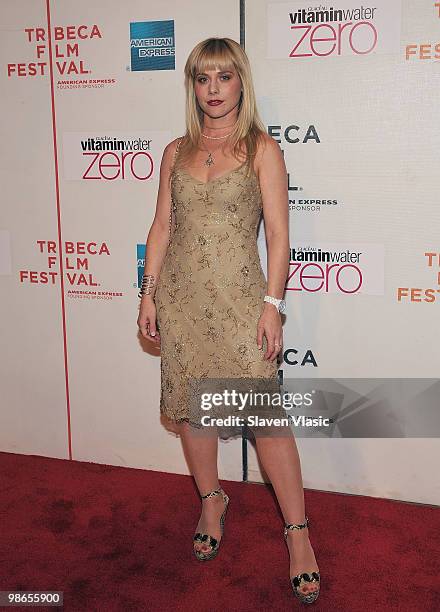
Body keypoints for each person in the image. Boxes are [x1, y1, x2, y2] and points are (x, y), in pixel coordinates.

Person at [137, 37, 320, 604]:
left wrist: (274, 304)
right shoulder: (174, 152)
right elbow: (162, 227)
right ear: (192, 86)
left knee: (266, 424)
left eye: (223, 77)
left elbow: (281, 237)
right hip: (183, 303)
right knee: (194, 413)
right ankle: (212, 500)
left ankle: (298, 535)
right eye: (202, 78)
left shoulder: (262, 148)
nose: (213, 90)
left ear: (241, 82)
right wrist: (148, 293)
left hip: (242, 302)